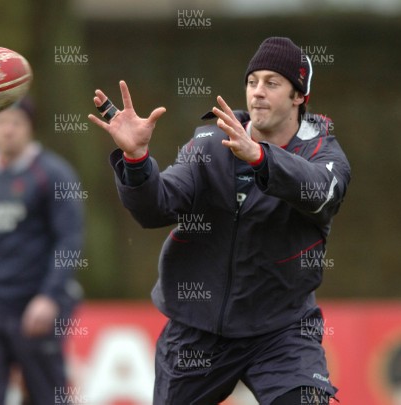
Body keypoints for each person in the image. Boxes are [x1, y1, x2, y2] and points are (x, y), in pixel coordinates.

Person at [88, 36, 351, 405]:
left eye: (272, 83)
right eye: (252, 81)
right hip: (197, 330)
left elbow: (320, 192)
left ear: (299, 97)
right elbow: (156, 209)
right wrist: (136, 161)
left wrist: (261, 158)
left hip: (281, 331)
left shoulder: (323, 152)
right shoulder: (210, 144)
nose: (257, 92)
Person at [0, 98, 85, 405]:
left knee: (48, 397)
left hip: (34, 308)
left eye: (15, 123)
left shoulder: (53, 174)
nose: (7, 130)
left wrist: (49, 296)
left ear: (30, 127)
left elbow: (70, 241)